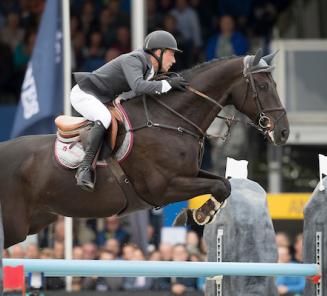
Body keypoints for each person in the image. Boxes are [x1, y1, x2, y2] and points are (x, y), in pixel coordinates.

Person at [71, 30, 189, 191]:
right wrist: (168, 84)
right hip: (84, 93)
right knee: (104, 117)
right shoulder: (134, 59)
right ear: (158, 52)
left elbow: (138, 93)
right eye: (171, 54)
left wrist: (169, 83)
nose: (174, 60)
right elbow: (138, 86)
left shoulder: (150, 70)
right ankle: (84, 169)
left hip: (102, 98)